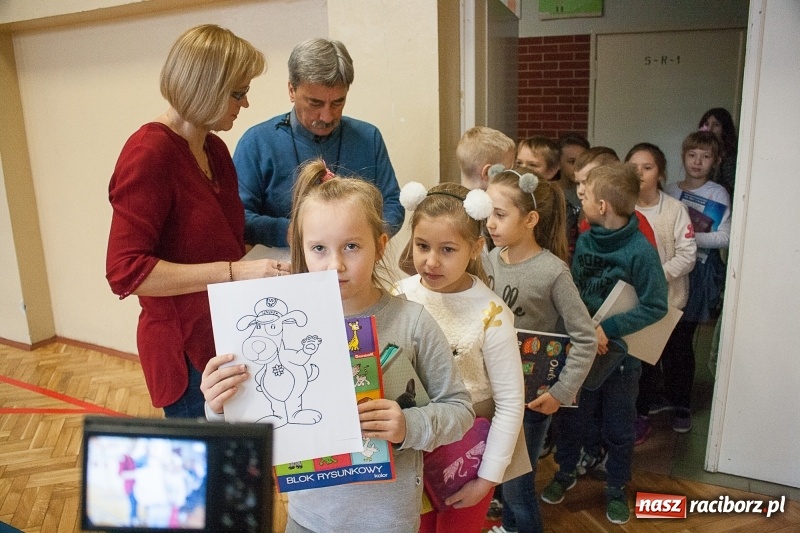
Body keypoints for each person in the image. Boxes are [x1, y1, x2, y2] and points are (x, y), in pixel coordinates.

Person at [201, 160, 474, 533]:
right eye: (318, 248)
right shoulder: (279, 325)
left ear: (380, 247)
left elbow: (460, 411)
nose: (335, 264)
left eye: (351, 246)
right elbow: (248, 422)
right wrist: (218, 405)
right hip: (307, 517)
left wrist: (407, 425)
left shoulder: (412, 322)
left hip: (387, 522)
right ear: (301, 248)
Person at [105, 25, 288, 418]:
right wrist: (235, 273)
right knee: (215, 471)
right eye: (238, 93)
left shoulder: (215, 148)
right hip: (185, 354)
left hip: (227, 334)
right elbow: (125, 272)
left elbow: (224, 239)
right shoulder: (149, 154)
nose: (246, 104)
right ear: (205, 87)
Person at [541, 162, 667, 525]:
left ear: (603, 206)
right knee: (573, 419)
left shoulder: (640, 251)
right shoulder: (585, 239)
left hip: (621, 359)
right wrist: (582, 332)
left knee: (618, 425)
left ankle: (615, 487)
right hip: (582, 352)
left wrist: (607, 330)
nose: (582, 197)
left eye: (588, 193)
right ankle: (565, 472)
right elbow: (575, 292)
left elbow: (656, 305)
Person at [395, 182, 525, 533]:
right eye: (422, 246)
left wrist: (487, 479)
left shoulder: (491, 312)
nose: (431, 261)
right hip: (410, 448)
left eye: (447, 249)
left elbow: (511, 402)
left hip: (467, 454)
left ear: (475, 248)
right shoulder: (400, 295)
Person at [484, 167, 597, 533]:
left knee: (517, 487)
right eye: (488, 211)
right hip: (495, 393)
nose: (490, 222)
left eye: (500, 214)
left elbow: (585, 337)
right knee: (500, 473)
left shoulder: (552, 272)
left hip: (532, 400)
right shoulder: (488, 260)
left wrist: (561, 392)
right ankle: (509, 528)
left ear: (530, 219)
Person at [234, 38, 404, 248]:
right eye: (315, 103)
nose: (326, 116)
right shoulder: (256, 142)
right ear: (291, 90)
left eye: (337, 102)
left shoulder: (369, 138)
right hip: (282, 269)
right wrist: (294, 232)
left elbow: (393, 203)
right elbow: (238, 216)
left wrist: (370, 236)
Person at [625, 143, 697, 444]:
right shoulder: (622, 207)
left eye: (648, 167)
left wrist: (655, 276)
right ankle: (642, 410)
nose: (639, 173)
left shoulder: (674, 209)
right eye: (634, 166)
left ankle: (681, 405)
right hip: (634, 303)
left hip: (670, 300)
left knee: (676, 354)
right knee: (641, 359)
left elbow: (687, 255)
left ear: (660, 173)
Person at [663, 131, 730, 433]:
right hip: (669, 270)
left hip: (699, 273)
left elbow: (725, 236)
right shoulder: (670, 190)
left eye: (705, 156)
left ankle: (682, 404)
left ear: (714, 161)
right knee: (661, 338)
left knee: (682, 340)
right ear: (683, 157)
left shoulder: (717, 193)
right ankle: (663, 395)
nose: (698, 162)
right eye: (692, 155)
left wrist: (688, 238)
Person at [558, 134, 590, 260]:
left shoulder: (594, 193)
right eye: (571, 162)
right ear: (558, 163)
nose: (577, 167)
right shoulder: (551, 192)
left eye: (582, 162)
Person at [457, 126, 516, 191]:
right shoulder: (496, 201)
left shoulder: (448, 200)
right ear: (487, 173)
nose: (512, 177)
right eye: (507, 173)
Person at [698, 108, 738, 198]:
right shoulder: (698, 152)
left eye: (716, 125)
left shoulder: (730, 157)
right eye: (707, 124)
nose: (710, 129)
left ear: (725, 129)